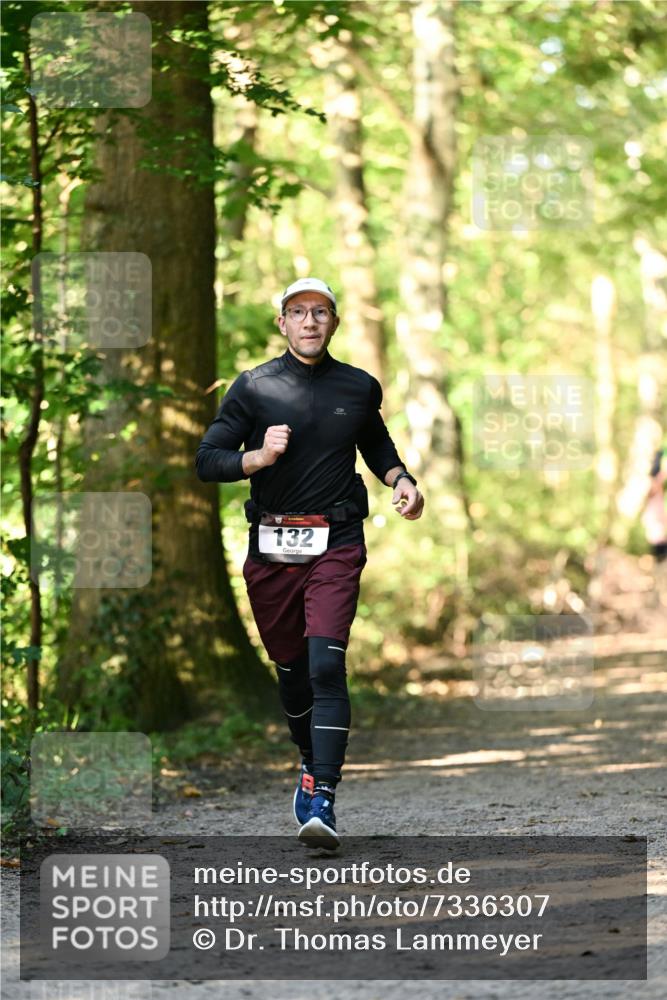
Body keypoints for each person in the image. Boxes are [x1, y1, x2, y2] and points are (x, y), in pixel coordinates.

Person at [195, 277, 424, 850]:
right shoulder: (253, 388)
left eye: (320, 312)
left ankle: (323, 794)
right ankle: (308, 759)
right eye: (298, 312)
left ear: (335, 322)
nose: (310, 322)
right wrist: (258, 456)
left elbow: (376, 446)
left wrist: (403, 480)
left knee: (326, 664)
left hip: (337, 540)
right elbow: (206, 460)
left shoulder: (359, 386)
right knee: (293, 670)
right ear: (283, 323)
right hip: (271, 546)